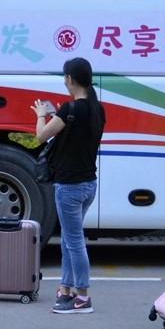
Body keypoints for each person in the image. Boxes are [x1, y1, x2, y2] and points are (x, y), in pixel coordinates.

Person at [33, 57, 105, 314]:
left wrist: (42, 115)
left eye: (65, 78)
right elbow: (75, 135)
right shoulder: (97, 108)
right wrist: (56, 115)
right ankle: (66, 289)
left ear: (70, 79)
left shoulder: (69, 109)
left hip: (69, 187)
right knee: (68, 240)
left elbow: (41, 135)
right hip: (88, 184)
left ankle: (82, 297)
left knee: (74, 241)